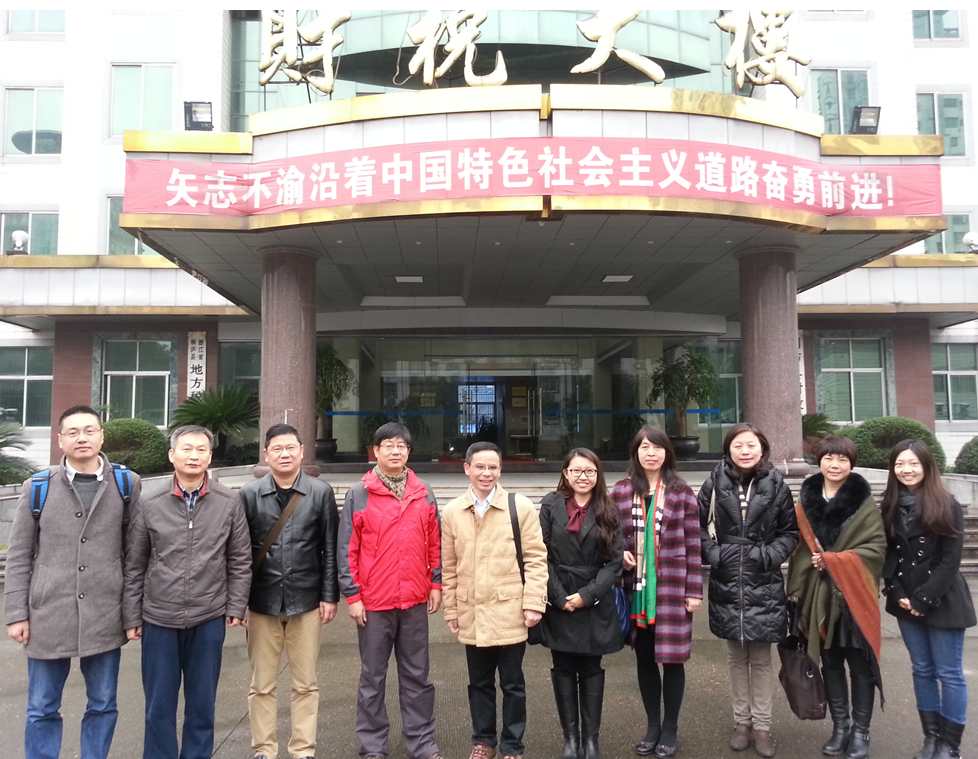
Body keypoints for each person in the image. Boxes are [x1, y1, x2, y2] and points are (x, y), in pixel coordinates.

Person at [4, 405, 141, 759]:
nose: (82, 438)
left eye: (89, 430)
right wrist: (16, 613)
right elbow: (19, 554)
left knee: (103, 703)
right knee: (42, 706)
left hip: (105, 611)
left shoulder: (126, 483)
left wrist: (132, 614)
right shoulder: (38, 487)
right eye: (73, 432)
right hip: (48, 612)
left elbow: (134, 555)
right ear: (60, 439)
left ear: (102, 436)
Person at [123, 424, 252, 759]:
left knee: (202, 704)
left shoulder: (229, 500)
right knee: (158, 705)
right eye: (186, 449)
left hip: (208, 616)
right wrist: (131, 615)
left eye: (201, 450)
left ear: (210, 456)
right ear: (172, 455)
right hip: (158, 617)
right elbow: (135, 563)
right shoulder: (149, 501)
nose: (193, 456)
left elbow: (240, 558)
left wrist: (236, 606)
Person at [339, 422, 444, 759]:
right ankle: (372, 746)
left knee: (417, 677)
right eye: (388, 445)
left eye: (401, 445)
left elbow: (435, 542)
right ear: (376, 451)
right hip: (374, 603)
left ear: (409, 452)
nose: (395, 451)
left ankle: (421, 742)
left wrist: (436, 582)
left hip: (414, 600)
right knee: (373, 678)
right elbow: (347, 549)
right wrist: (353, 596)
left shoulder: (423, 491)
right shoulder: (360, 493)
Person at [441, 441, 548, 759]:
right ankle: (483, 741)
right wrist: (451, 609)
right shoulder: (452, 512)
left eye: (492, 467)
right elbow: (449, 565)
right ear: (467, 468)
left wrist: (534, 603)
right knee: (479, 683)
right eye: (480, 466)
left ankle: (512, 745)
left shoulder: (520, 507)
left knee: (513, 683)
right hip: (471, 610)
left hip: (510, 610)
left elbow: (536, 559)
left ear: (501, 470)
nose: (486, 473)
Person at [698, 423, 798, 759]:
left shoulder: (776, 483)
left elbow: (789, 532)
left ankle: (763, 726)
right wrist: (714, 555)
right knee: (736, 657)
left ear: (762, 448)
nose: (745, 451)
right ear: (728, 449)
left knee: (762, 659)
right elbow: (696, 527)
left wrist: (768, 555)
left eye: (751, 445)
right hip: (727, 578)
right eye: (738, 445)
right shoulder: (714, 482)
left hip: (763, 579)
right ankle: (741, 723)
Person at [240, 423, 339, 759]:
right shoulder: (249, 494)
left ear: (301, 451)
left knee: (305, 683)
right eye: (277, 449)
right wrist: (239, 602)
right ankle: (264, 749)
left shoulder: (320, 492)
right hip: (261, 601)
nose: (284, 454)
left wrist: (329, 595)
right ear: (266, 454)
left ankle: (303, 749)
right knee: (262, 684)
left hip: (306, 600)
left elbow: (330, 548)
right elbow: (240, 553)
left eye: (291, 448)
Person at [786, 436, 885, 759]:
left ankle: (861, 731)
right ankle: (840, 727)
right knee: (829, 662)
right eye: (829, 457)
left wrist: (834, 560)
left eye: (842, 459)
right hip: (817, 595)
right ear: (819, 461)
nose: (835, 464)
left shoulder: (864, 503)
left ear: (852, 464)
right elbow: (800, 549)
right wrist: (796, 589)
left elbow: (876, 548)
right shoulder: (806, 501)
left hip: (853, 595)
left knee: (859, 665)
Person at [880, 439, 976, 759]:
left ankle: (950, 745)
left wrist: (923, 599)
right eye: (900, 464)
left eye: (913, 463)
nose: (906, 470)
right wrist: (895, 591)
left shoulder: (946, 503)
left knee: (949, 672)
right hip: (905, 598)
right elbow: (889, 554)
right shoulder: (890, 504)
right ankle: (931, 738)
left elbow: (950, 560)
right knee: (921, 669)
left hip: (942, 597)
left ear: (926, 466)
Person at [610, 428, 702, 759]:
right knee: (645, 659)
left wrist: (694, 590)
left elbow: (694, 543)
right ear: (635, 452)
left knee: (673, 660)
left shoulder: (681, 491)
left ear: (667, 453)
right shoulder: (621, 491)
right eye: (645, 447)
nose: (651, 453)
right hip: (635, 588)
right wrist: (619, 553)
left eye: (658, 447)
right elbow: (608, 534)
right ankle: (652, 726)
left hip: (673, 586)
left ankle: (670, 727)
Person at [541, 448, 623, 759]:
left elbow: (615, 562)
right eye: (576, 471)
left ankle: (591, 741)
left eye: (589, 471)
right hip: (559, 597)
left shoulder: (608, 508)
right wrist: (558, 595)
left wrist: (587, 595)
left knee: (590, 668)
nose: (582, 477)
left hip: (594, 601)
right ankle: (570, 740)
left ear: (597, 474)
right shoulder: (550, 505)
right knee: (563, 667)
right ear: (565, 473)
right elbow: (540, 554)